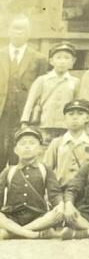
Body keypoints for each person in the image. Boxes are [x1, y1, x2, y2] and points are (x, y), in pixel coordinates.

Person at [0, 15, 49, 166]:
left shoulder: (39, 58)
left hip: (24, 115)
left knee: (20, 154)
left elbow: (42, 90)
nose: (18, 32)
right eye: (15, 28)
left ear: (29, 33)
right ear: (9, 30)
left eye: (22, 29)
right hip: (2, 112)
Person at [0, 126, 63, 239]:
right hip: (12, 217)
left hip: (38, 217)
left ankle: (14, 232)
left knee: (54, 214)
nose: (27, 147)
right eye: (23, 143)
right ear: (16, 150)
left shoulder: (45, 169)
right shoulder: (9, 171)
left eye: (32, 143)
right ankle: (31, 234)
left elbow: (55, 194)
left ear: (40, 149)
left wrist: (60, 204)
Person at [20, 41, 78, 143]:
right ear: (51, 61)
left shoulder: (75, 82)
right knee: (44, 153)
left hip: (66, 127)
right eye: (58, 57)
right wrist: (24, 122)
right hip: (44, 125)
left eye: (67, 58)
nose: (62, 61)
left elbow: (77, 105)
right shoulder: (42, 80)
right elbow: (30, 102)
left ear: (73, 61)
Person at [42, 99, 89, 188]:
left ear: (87, 118)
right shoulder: (57, 143)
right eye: (71, 114)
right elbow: (46, 170)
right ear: (65, 118)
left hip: (86, 193)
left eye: (80, 114)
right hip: (62, 191)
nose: (75, 117)